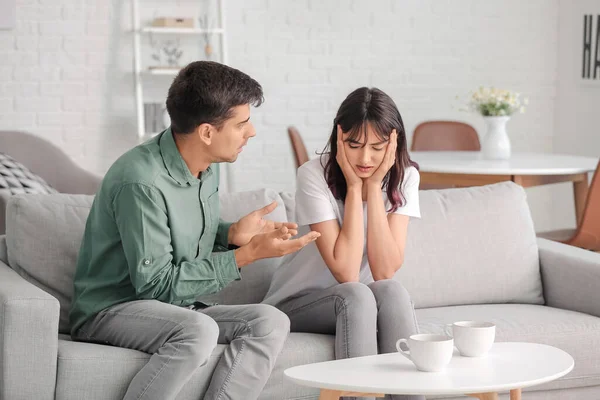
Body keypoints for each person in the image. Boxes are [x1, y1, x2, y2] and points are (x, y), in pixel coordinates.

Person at [69, 61, 320, 400]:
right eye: (242, 123)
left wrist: (231, 234)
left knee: (269, 321)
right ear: (206, 132)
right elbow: (156, 285)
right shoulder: (141, 182)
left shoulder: (206, 164)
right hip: (112, 308)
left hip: (177, 307)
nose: (252, 132)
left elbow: (175, 227)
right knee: (198, 329)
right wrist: (247, 256)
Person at [263, 87, 424, 400]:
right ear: (339, 138)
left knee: (391, 290)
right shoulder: (313, 175)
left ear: (394, 145)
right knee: (355, 295)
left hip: (358, 301)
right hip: (297, 304)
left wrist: (375, 186)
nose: (365, 158)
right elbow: (347, 272)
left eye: (377, 148)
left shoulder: (405, 177)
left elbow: (385, 269)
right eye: (354, 145)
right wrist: (353, 188)